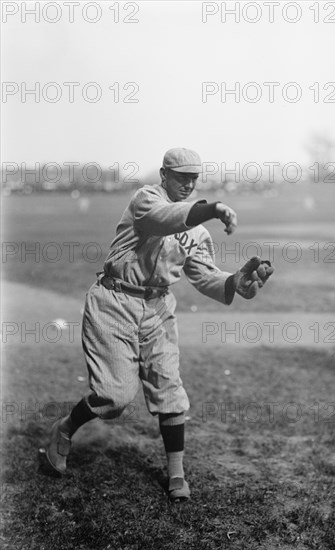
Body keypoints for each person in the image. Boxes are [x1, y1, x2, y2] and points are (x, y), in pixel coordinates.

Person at [45, 147, 274, 502]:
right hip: (114, 302)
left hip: (158, 309)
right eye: (182, 176)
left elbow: (205, 276)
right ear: (164, 175)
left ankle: (177, 474)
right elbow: (167, 219)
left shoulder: (197, 233)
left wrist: (235, 284)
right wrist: (211, 209)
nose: (189, 183)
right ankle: (65, 428)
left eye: (194, 178)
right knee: (114, 397)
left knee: (170, 389)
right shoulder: (146, 200)